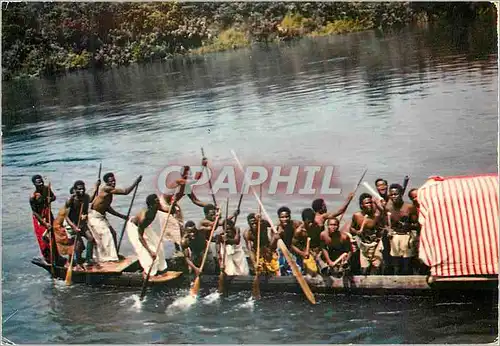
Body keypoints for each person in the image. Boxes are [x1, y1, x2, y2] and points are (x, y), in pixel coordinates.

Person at [89, 172, 142, 262]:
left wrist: (122, 216)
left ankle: (115, 254)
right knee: (107, 236)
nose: (113, 183)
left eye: (114, 181)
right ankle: (109, 258)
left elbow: (107, 208)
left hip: (101, 216)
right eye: (111, 181)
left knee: (113, 234)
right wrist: (136, 182)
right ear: (106, 183)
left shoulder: (108, 193)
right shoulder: (107, 189)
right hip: (94, 217)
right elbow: (125, 192)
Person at [126, 194, 169, 278]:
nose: (159, 203)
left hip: (144, 227)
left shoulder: (157, 207)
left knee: (159, 246)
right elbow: (140, 237)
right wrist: (150, 251)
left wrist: (173, 204)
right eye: (157, 202)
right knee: (145, 252)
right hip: (135, 229)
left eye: (158, 201)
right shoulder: (144, 217)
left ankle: (161, 268)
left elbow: (168, 210)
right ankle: (149, 272)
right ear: (152, 205)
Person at [29, 175, 65, 265]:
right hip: (39, 218)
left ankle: (56, 256)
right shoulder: (33, 197)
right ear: (34, 184)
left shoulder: (46, 189)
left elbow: (54, 197)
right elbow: (35, 213)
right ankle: (48, 258)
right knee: (44, 238)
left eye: (41, 182)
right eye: (38, 183)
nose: (41, 184)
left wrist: (51, 199)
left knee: (52, 235)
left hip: (48, 213)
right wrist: (44, 223)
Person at [350, 193, 384, 275]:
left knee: (376, 268)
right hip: (364, 245)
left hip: (376, 244)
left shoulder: (377, 215)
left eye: (370, 202)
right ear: (361, 205)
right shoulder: (357, 216)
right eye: (366, 203)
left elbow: (382, 227)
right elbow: (351, 228)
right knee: (364, 270)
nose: (369, 205)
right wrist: (357, 232)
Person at [385, 184, 414, 275]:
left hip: (407, 236)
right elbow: (385, 223)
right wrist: (388, 230)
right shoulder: (388, 208)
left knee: (407, 262)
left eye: (396, 194)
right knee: (396, 263)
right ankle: (396, 281)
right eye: (392, 194)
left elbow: (416, 223)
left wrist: (407, 225)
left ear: (401, 194)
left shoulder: (409, 207)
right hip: (395, 236)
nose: (394, 196)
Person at [271, 206, 303, 276]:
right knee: (282, 271)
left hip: (294, 252)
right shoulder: (276, 228)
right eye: (282, 217)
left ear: (290, 217)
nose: (285, 219)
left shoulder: (295, 225)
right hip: (282, 252)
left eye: (287, 217)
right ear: (279, 218)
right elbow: (272, 247)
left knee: (297, 272)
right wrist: (276, 237)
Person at [292, 208, 320, 276]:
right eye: (309, 222)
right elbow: (292, 245)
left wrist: (317, 252)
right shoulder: (299, 231)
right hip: (300, 252)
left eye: (312, 222)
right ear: (304, 220)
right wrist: (301, 253)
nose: (311, 224)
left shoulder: (315, 226)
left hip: (310, 251)